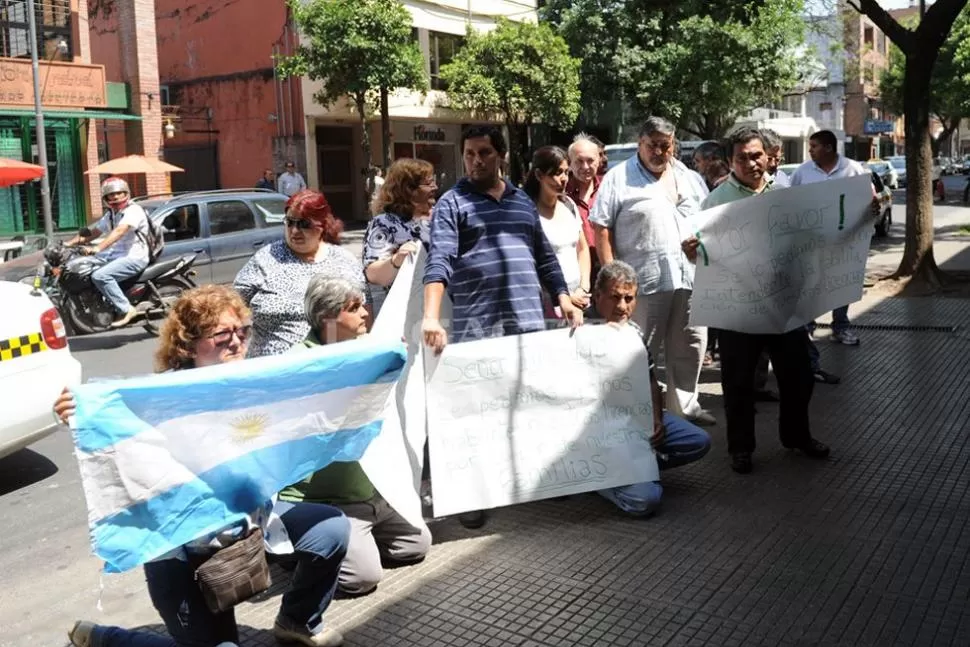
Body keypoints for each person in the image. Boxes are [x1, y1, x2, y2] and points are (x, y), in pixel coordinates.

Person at [59, 285, 349, 647]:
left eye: (242, 331)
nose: (236, 341)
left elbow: (319, 380)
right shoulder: (160, 398)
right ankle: (109, 639)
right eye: (222, 334)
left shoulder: (255, 381)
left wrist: (381, 356)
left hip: (249, 525)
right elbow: (111, 422)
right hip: (183, 551)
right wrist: (77, 413)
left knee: (331, 529)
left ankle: (297, 621)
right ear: (188, 344)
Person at [422, 125, 582, 529]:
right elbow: (439, 261)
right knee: (477, 411)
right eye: (470, 153)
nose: (476, 160)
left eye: (485, 153)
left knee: (530, 401)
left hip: (526, 321)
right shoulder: (451, 203)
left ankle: (541, 479)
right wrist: (430, 316)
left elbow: (544, 256)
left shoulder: (521, 202)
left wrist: (562, 295)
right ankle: (472, 494)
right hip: (479, 325)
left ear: (502, 156)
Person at [683, 127, 830, 474]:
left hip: (783, 306)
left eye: (756, 155)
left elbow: (811, 237)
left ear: (768, 156)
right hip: (739, 310)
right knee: (737, 382)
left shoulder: (784, 193)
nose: (751, 163)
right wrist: (692, 252)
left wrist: (859, 214)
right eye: (742, 157)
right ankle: (741, 448)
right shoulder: (715, 201)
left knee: (798, 377)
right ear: (731, 161)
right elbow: (702, 255)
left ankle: (797, 437)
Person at [281, 276, 432, 595]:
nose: (366, 311)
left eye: (363, 303)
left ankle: (356, 540)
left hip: (372, 490)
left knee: (416, 546)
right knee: (361, 579)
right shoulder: (300, 364)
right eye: (354, 307)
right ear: (328, 318)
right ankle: (309, 545)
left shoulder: (369, 347)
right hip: (330, 499)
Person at [589, 116, 715, 426]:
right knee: (638, 350)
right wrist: (612, 276)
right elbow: (600, 226)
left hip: (690, 276)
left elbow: (707, 220)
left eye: (665, 146)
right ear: (639, 145)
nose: (659, 152)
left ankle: (684, 407)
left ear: (674, 145)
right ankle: (635, 412)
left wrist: (701, 241)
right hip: (642, 281)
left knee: (690, 345)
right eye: (652, 146)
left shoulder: (689, 176)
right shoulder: (619, 177)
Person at [592, 261, 711, 516]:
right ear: (597, 295)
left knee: (698, 441)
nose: (622, 306)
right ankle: (596, 478)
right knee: (646, 500)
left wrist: (656, 419)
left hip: (635, 421)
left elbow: (650, 381)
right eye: (614, 297)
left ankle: (636, 466)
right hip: (599, 432)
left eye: (628, 298)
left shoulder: (634, 332)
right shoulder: (580, 333)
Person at [234, 190, 364, 358]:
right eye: (289, 222)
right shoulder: (265, 260)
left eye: (304, 224)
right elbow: (231, 309)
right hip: (271, 371)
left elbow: (363, 318)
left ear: (322, 225)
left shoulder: (344, 261)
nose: (294, 231)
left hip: (329, 367)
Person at [790, 130, 865, 351]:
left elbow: (866, 199)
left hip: (845, 240)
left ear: (829, 148)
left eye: (814, 146)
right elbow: (791, 202)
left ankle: (840, 327)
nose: (810, 150)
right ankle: (808, 327)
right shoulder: (803, 172)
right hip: (811, 242)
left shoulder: (853, 169)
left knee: (842, 283)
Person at [65, 177, 151, 327]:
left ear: (126, 193)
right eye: (112, 194)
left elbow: (120, 231)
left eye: (119, 193)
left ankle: (126, 308)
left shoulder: (133, 211)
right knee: (88, 265)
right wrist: (68, 243)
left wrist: (98, 248)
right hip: (116, 255)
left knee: (100, 276)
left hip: (135, 257)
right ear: (106, 198)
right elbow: (95, 232)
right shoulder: (111, 214)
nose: (116, 197)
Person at [362, 158, 437, 315]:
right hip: (408, 313)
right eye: (428, 183)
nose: (435, 187)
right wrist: (396, 260)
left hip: (449, 303)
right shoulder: (385, 223)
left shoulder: (442, 215)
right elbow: (373, 274)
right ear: (408, 189)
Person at [524, 145, 591, 315]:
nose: (563, 179)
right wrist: (563, 295)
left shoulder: (569, 205)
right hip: (547, 302)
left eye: (566, 172)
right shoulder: (527, 211)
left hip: (579, 298)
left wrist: (583, 288)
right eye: (557, 173)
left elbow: (582, 249)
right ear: (539, 175)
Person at [565, 133, 603, 272]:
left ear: (599, 160)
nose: (585, 166)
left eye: (590, 160)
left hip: (606, 266)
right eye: (579, 161)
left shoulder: (609, 188)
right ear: (569, 163)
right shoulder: (561, 193)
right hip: (575, 268)